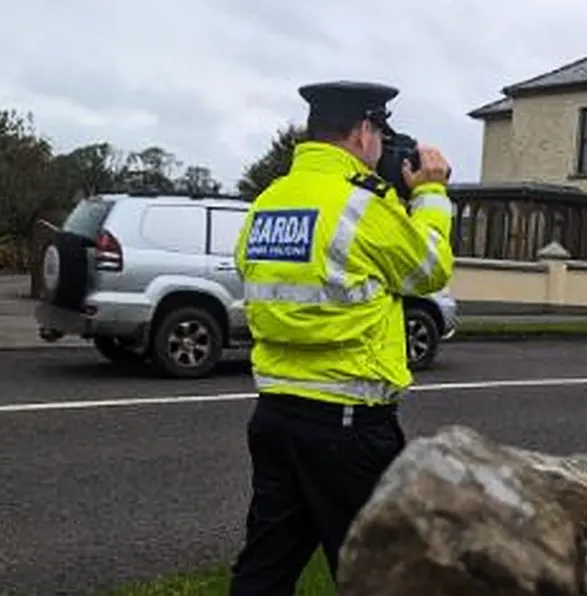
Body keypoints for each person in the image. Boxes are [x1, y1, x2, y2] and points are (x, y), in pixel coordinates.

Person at [228, 80, 455, 596]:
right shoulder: (362, 205)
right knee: (382, 573)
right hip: (347, 424)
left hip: (276, 414)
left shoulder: (270, 200)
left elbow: (253, 269)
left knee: (265, 568)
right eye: (379, 133)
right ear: (362, 131)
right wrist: (432, 193)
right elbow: (428, 270)